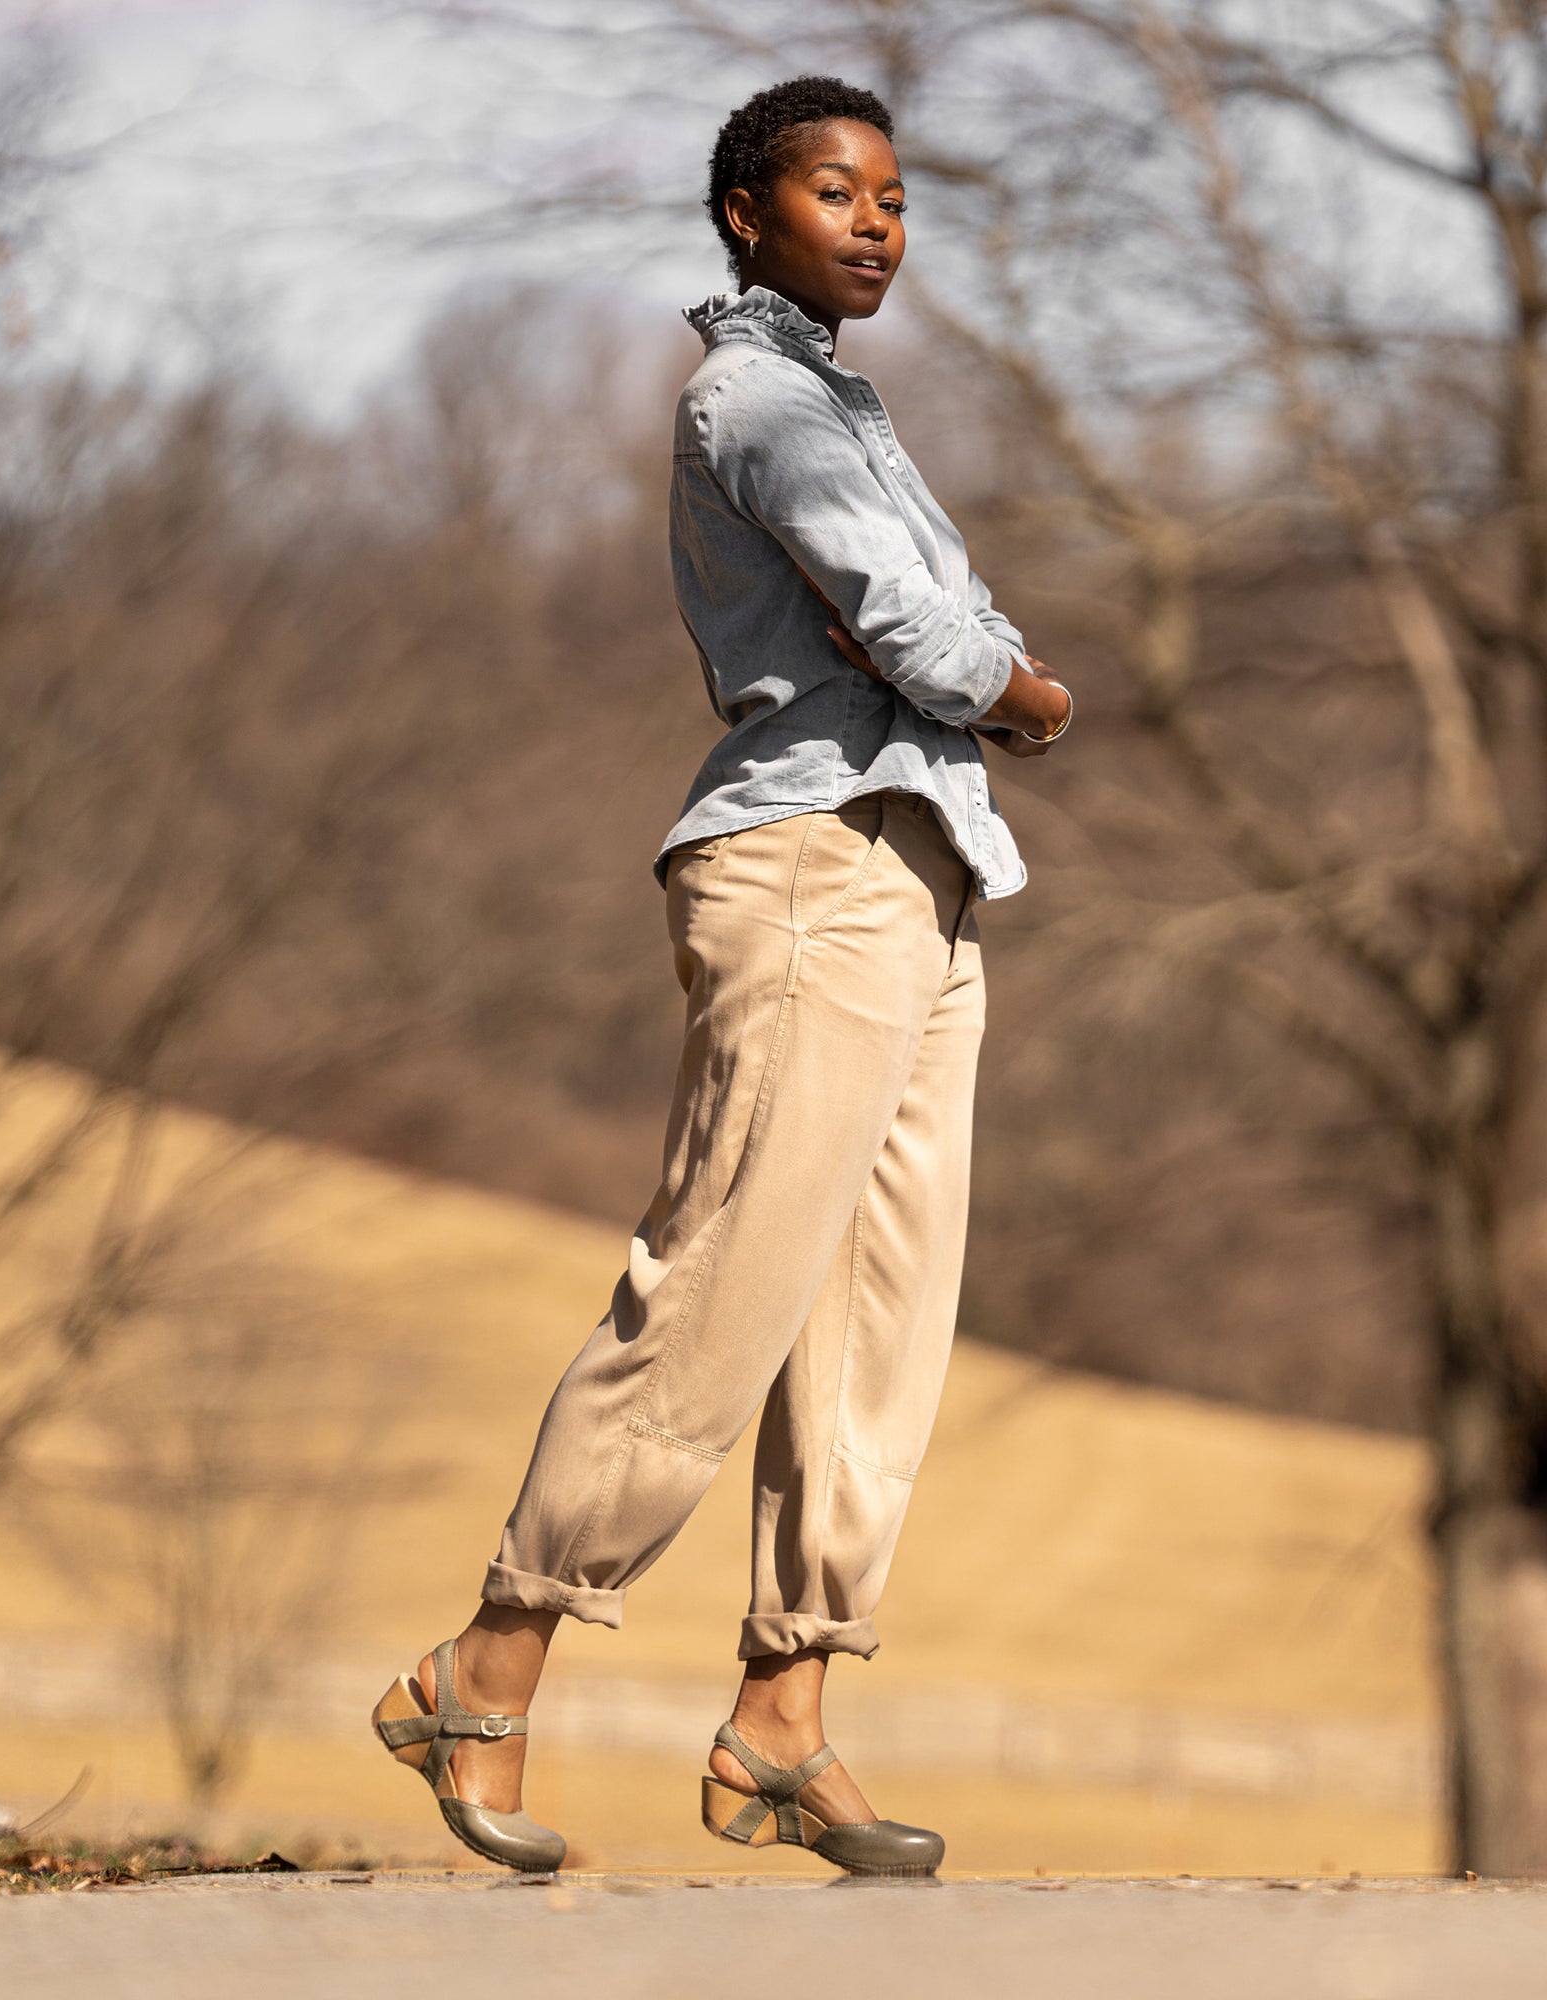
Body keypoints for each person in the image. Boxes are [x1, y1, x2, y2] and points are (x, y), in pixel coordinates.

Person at [372, 74, 1072, 1878]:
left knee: (874, 1327)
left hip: (921, 882)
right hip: (809, 872)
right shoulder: (756, 398)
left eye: (896, 199)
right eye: (834, 192)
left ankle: (784, 1718)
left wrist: (958, 658)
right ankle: (492, 1658)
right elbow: (927, 633)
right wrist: (1027, 687)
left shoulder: (844, 404)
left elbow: (921, 625)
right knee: (722, 1291)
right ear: (745, 214)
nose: (874, 223)